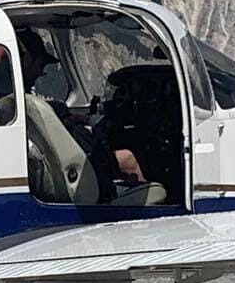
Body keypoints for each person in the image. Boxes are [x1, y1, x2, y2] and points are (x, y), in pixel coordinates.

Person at [15, 28, 146, 191]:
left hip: (53, 163)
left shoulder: (12, 99)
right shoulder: (29, 103)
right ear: (26, 60)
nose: (42, 73)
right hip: (71, 169)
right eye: (40, 64)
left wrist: (69, 120)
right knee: (128, 158)